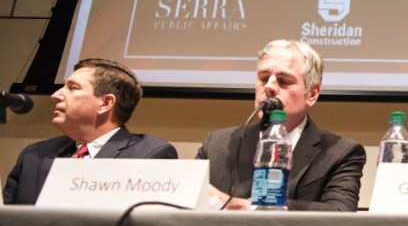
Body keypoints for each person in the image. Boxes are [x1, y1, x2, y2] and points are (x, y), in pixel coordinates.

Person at [197, 39, 365, 211]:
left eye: (283, 81)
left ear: (312, 94)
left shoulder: (340, 153)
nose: (269, 87)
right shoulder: (217, 144)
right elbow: (184, 202)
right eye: (263, 78)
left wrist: (247, 207)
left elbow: (339, 212)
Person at [3, 58, 177, 205]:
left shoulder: (148, 155)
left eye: (72, 88)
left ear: (106, 103)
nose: (55, 95)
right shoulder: (34, 155)